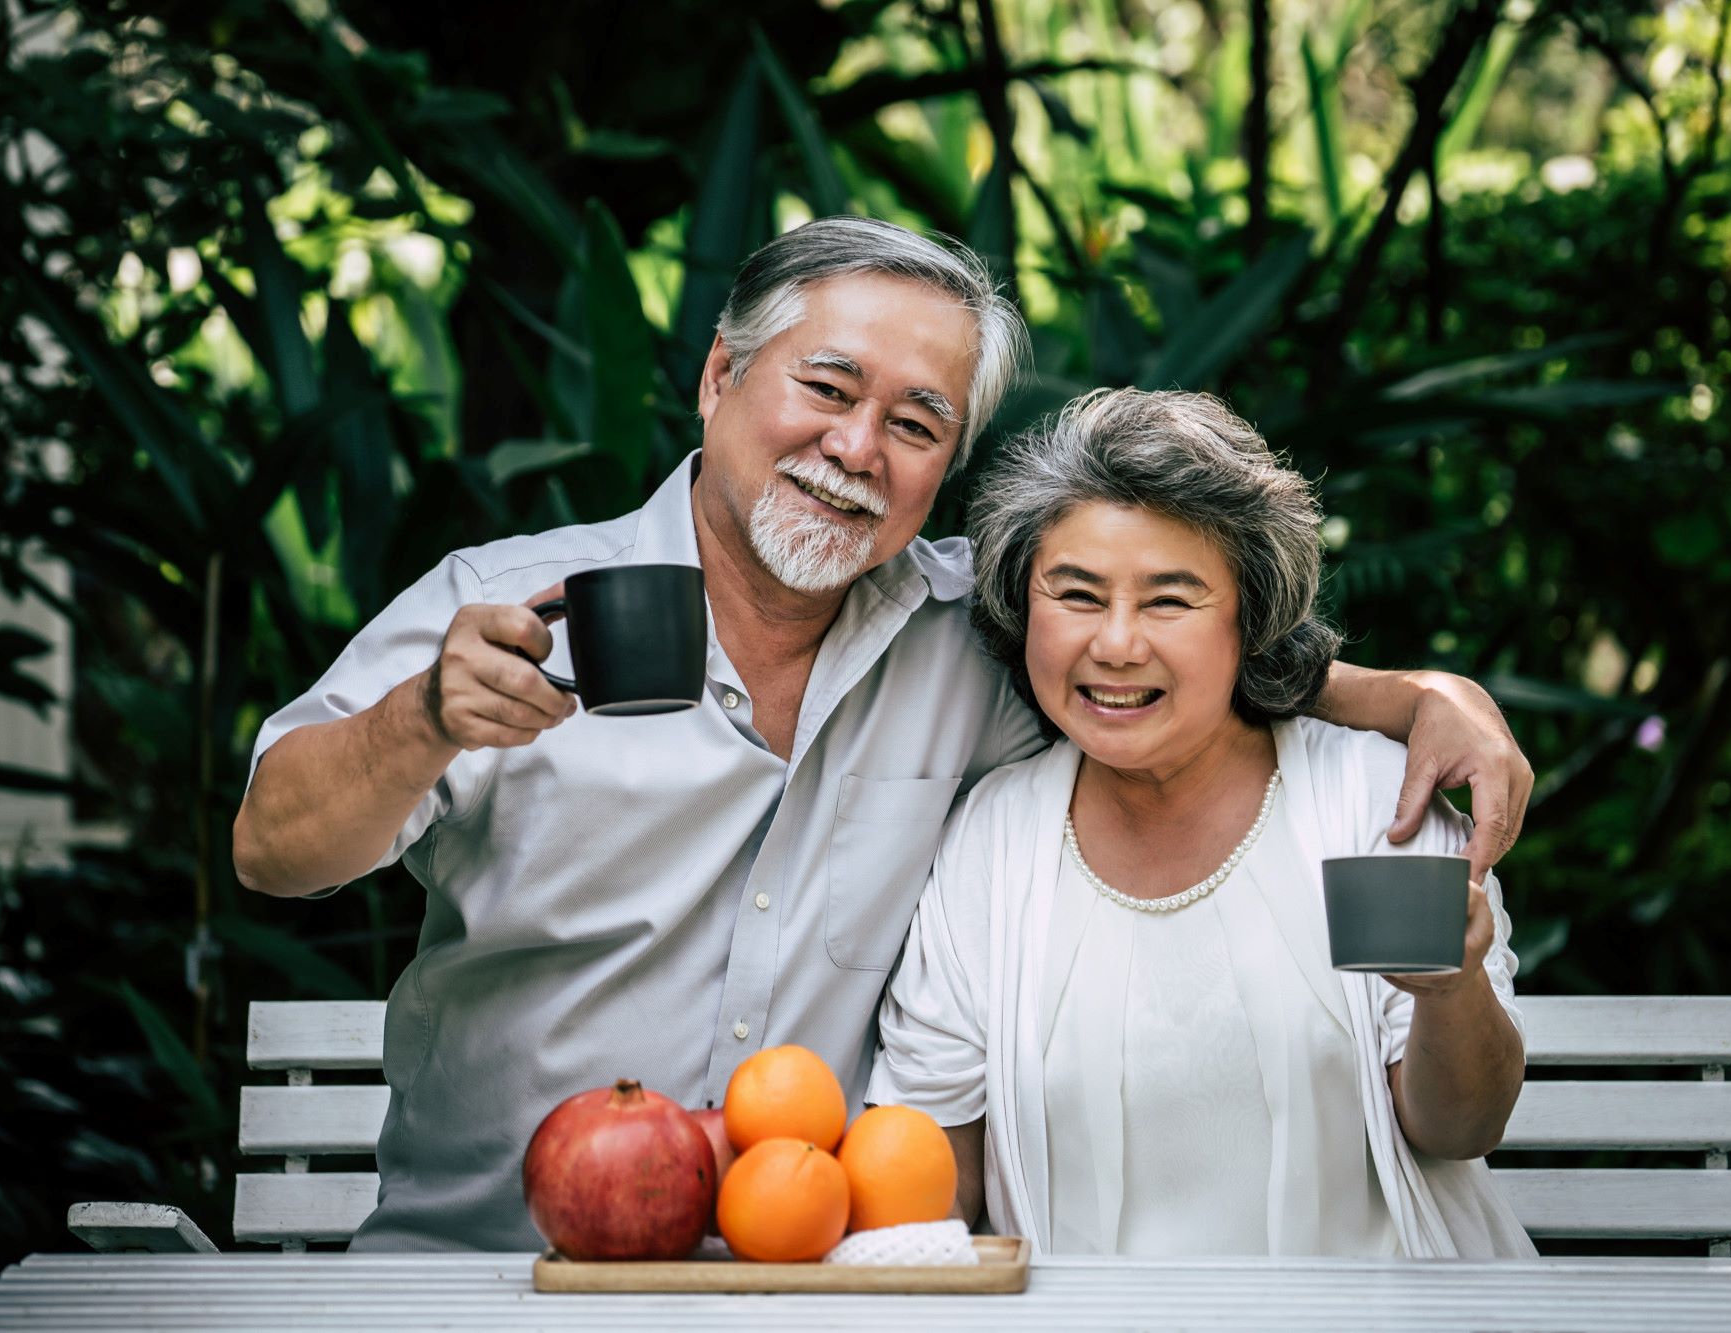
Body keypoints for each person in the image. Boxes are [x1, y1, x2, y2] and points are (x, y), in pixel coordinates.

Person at [232, 217, 1534, 1252]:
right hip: (490, 1268)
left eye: (916, 423)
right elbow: (272, 848)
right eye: (828, 387)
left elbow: (1169, 656)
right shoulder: (504, 607)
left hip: (803, 1281)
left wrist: (1422, 700)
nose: (856, 447)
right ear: (719, 377)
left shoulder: (979, 628)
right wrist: (426, 718)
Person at [869, 387, 1535, 1258]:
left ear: (1248, 620)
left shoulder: (1373, 799)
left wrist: (1451, 989)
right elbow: (931, 1159)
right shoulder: (992, 839)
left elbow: (1461, 1128)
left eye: (1169, 601)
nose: (1115, 644)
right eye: (1076, 593)